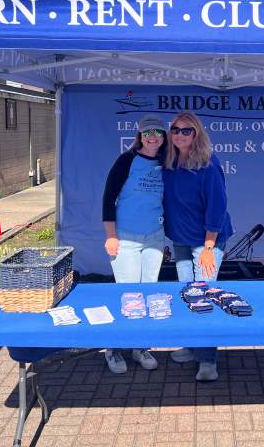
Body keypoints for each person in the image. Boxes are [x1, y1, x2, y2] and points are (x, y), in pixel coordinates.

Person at [163, 111, 233, 382]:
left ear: (197, 134)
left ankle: (207, 361)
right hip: (181, 239)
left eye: (186, 130)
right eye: (176, 130)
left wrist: (208, 247)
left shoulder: (208, 163)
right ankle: (192, 347)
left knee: (202, 296)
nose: (180, 134)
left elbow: (218, 205)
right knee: (187, 294)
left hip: (207, 241)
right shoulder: (169, 161)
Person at [101, 115, 167, 374]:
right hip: (126, 238)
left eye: (157, 132)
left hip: (154, 237)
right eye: (147, 132)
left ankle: (140, 347)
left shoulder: (165, 162)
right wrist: (111, 235)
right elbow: (108, 197)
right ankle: (113, 349)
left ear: (164, 137)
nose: (152, 137)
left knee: (148, 294)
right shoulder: (126, 160)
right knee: (128, 295)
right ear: (140, 136)